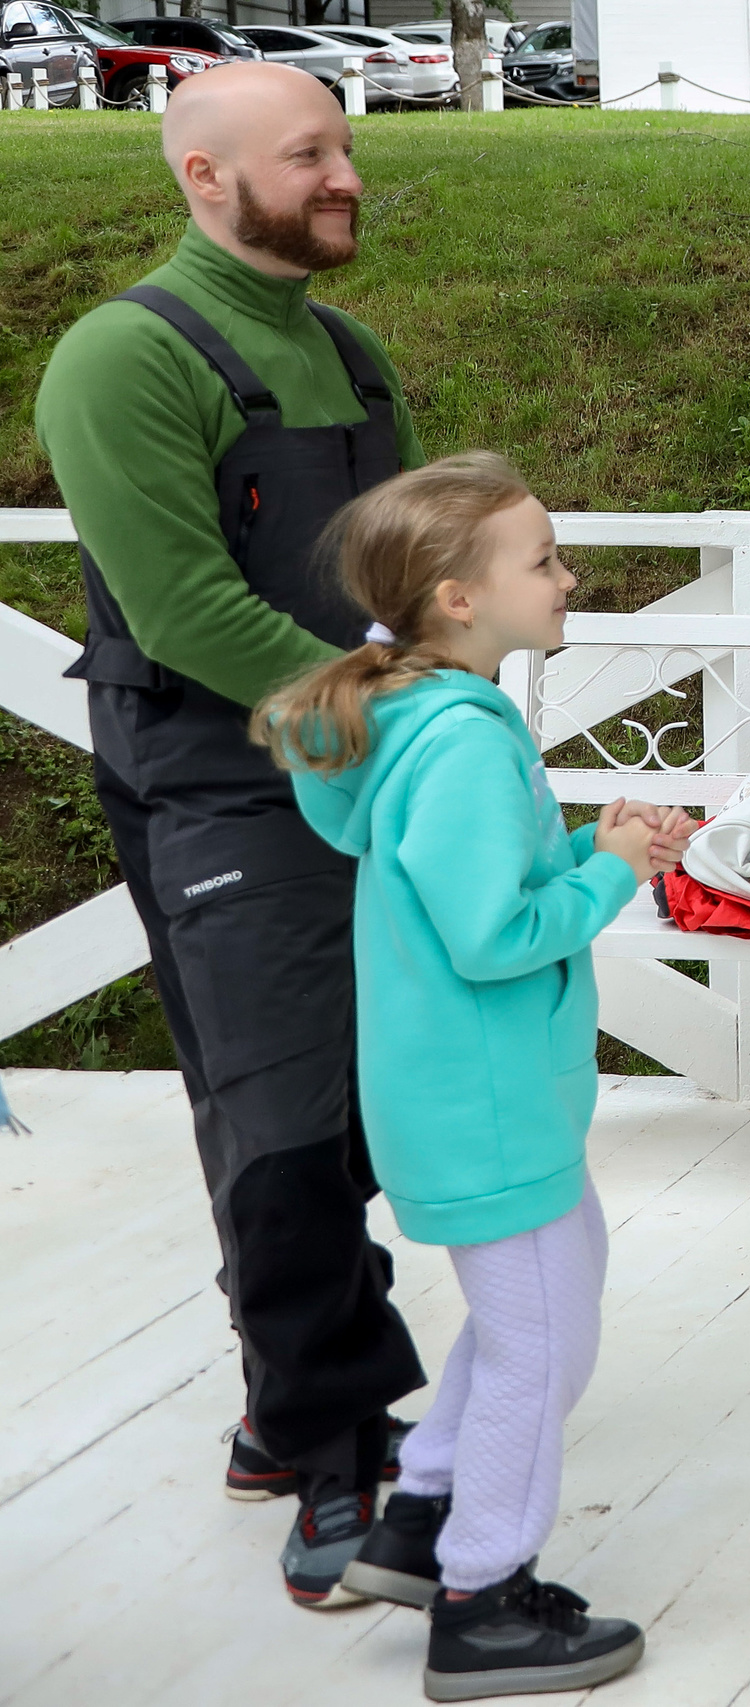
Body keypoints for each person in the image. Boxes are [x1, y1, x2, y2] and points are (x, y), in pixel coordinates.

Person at [34, 60, 431, 1599]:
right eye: (308, 153)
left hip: (371, 770)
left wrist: (444, 692)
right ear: (206, 177)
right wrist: (399, 712)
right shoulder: (122, 355)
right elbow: (187, 608)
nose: (345, 176)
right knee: (279, 1114)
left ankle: (279, 1406)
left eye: (345, 148)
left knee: (367, 1099)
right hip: (218, 782)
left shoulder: (350, 352)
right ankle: (336, 1457)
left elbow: (410, 570)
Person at [256, 452, 690, 1700]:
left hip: (482, 1097)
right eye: (543, 560)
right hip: (483, 1104)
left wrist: (592, 843)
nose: (568, 579)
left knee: (541, 1314)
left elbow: (471, 879)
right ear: (459, 599)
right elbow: (491, 937)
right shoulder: (457, 743)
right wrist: (612, 875)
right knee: (541, 1350)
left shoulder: (430, 721)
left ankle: (419, 1523)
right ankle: (483, 1600)